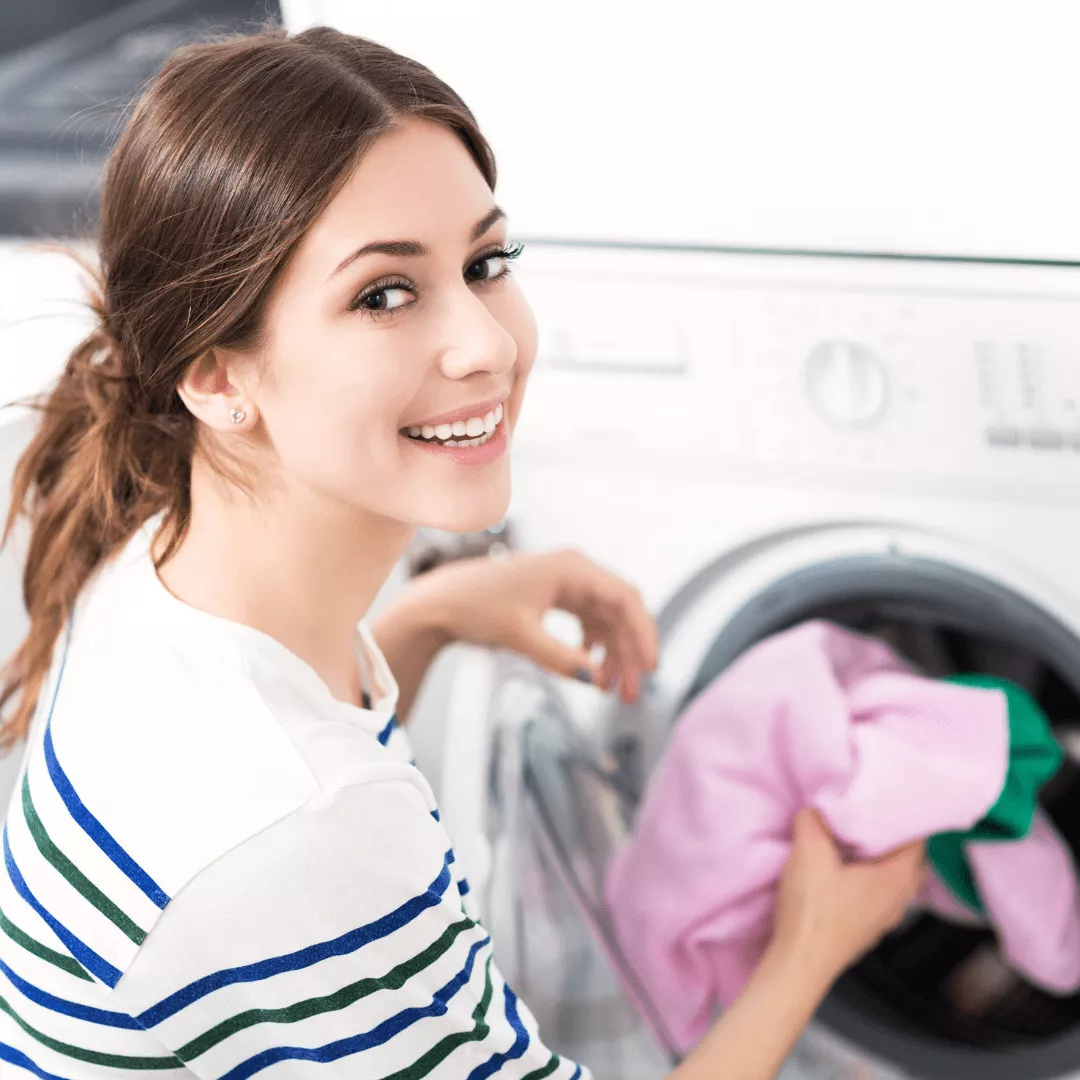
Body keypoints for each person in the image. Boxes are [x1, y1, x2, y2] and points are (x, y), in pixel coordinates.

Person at [0, 23, 925, 1080]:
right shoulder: (301, 831)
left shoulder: (155, 560)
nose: (487, 342)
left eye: (487, 263)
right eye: (383, 295)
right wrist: (810, 951)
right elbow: (300, 833)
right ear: (217, 378)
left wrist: (433, 615)